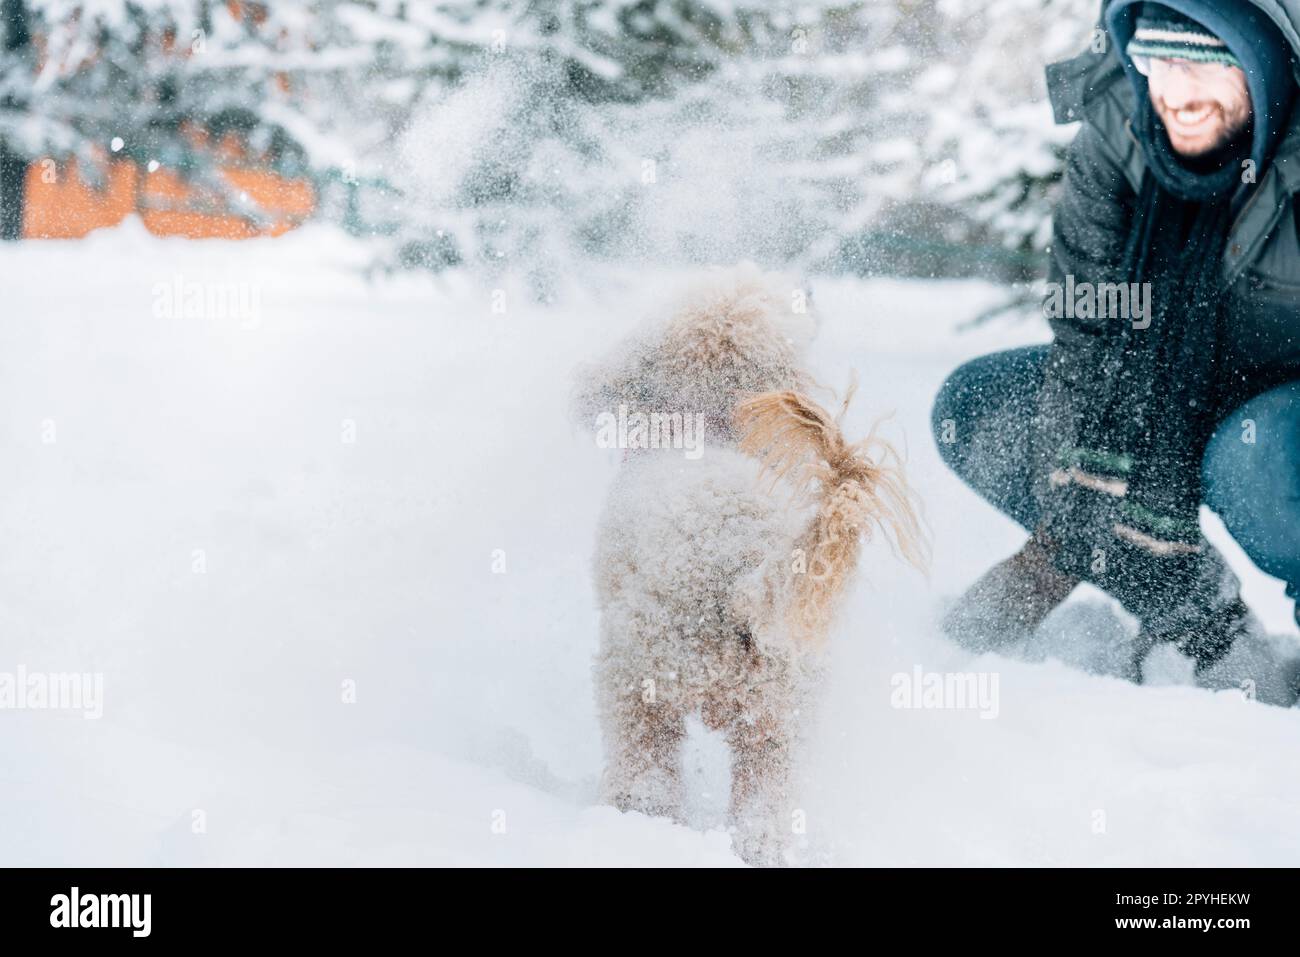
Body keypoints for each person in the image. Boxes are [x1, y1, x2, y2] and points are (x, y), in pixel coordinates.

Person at [933, 0, 1300, 680]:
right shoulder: (1116, 135)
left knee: (1258, 464)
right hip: (1161, 386)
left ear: (1262, 65)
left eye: (1203, 63)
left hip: (1282, 409)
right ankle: (1200, 622)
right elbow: (1087, 333)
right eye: (1157, 61)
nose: (1176, 93)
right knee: (980, 407)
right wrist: (1065, 536)